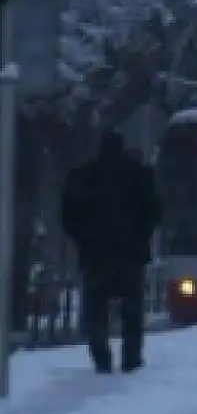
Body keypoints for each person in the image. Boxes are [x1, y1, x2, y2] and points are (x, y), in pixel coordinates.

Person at [60, 132, 160, 374]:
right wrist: (140, 235)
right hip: (130, 254)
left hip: (95, 255)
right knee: (132, 311)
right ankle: (131, 358)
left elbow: (68, 215)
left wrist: (85, 238)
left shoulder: (84, 176)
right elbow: (155, 211)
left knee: (96, 312)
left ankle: (101, 359)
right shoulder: (138, 174)